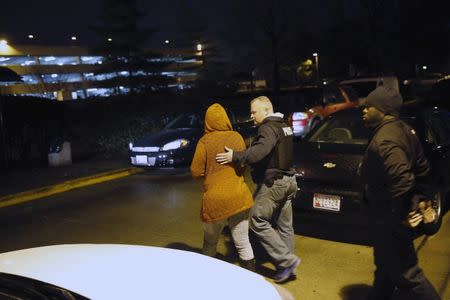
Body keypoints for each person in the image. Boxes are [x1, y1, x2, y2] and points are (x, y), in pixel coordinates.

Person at [360, 86, 440, 300]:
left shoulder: (385, 139)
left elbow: (402, 181)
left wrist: (403, 214)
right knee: (385, 269)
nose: (364, 110)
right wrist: (421, 201)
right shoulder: (404, 129)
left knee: (409, 275)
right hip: (387, 219)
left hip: (390, 220)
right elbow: (423, 169)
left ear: (383, 109)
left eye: (369, 107)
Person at [216, 96, 300, 283]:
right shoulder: (283, 125)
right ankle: (287, 268)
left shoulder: (268, 127)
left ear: (266, 110)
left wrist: (235, 156)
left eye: (254, 112)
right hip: (289, 181)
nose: (251, 116)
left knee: (257, 220)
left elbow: (259, 152)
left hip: (274, 183)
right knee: (285, 226)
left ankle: (287, 261)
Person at [190, 103, 255, 271]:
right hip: (238, 197)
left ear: (207, 121)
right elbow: (242, 165)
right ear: (226, 119)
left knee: (210, 242)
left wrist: (210, 172)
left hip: (215, 202)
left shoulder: (204, 142)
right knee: (242, 242)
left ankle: (211, 281)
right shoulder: (237, 137)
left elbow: (195, 171)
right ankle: (252, 281)